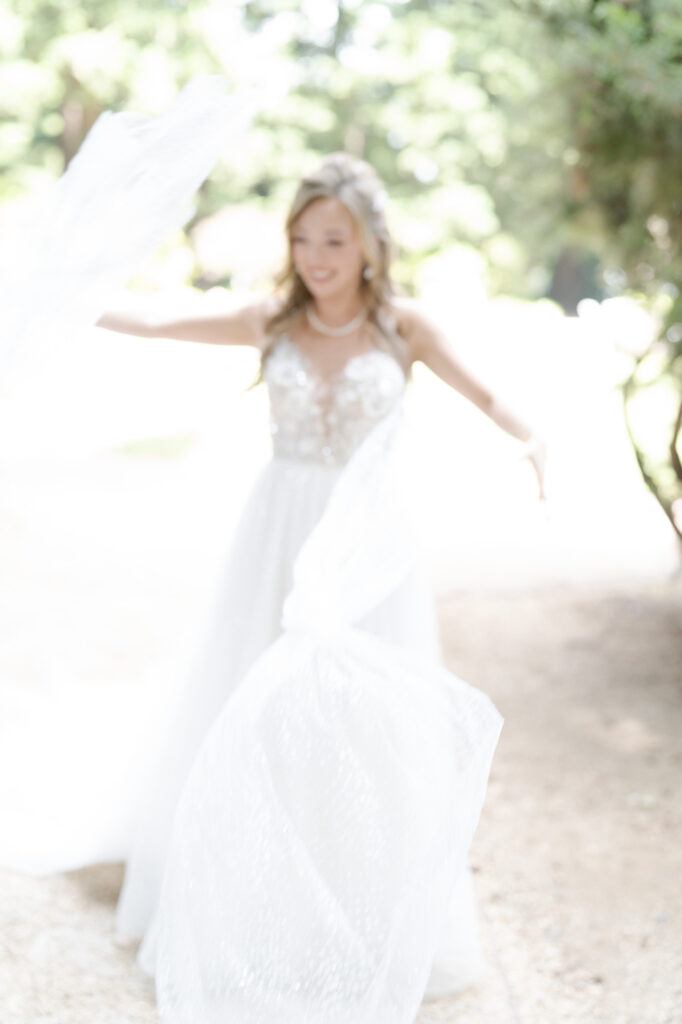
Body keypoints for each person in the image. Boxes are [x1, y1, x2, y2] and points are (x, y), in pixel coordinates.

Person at [95, 152, 542, 1022]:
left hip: (369, 551)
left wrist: (535, 440)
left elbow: (490, 396)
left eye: (332, 239)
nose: (315, 256)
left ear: (370, 245)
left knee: (363, 725)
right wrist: (69, 298)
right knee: (253, 703)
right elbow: (154, 322)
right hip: (278, 537)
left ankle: (363, 910)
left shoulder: (403, 329)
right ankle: (250, 904)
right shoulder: (270, 319)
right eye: (302, 238)